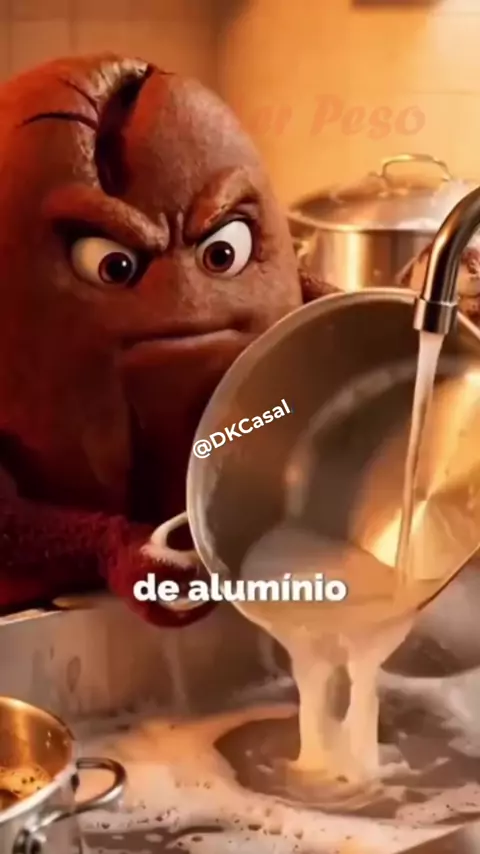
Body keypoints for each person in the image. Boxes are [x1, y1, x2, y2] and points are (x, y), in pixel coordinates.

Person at [0, 54, 333, 628]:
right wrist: (105, 546)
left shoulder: (283, 299)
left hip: (247, 559)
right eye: (115, 267)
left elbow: (332, 330)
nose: (187, 294)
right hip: (47, 616)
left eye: (220, 254)